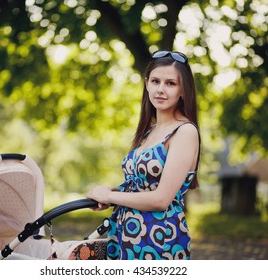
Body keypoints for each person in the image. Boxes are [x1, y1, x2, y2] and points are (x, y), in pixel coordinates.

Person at [86, 50, 201, 260]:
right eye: (155, 81)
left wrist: (110, 196)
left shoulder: (185, 132)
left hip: (158, 240)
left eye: (170, 84)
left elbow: (161, 199)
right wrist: (112, 193)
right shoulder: (150, 131)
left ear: (183, 89)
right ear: (146, 83)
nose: (161, 89)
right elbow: (141, 185)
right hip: (126, 235)